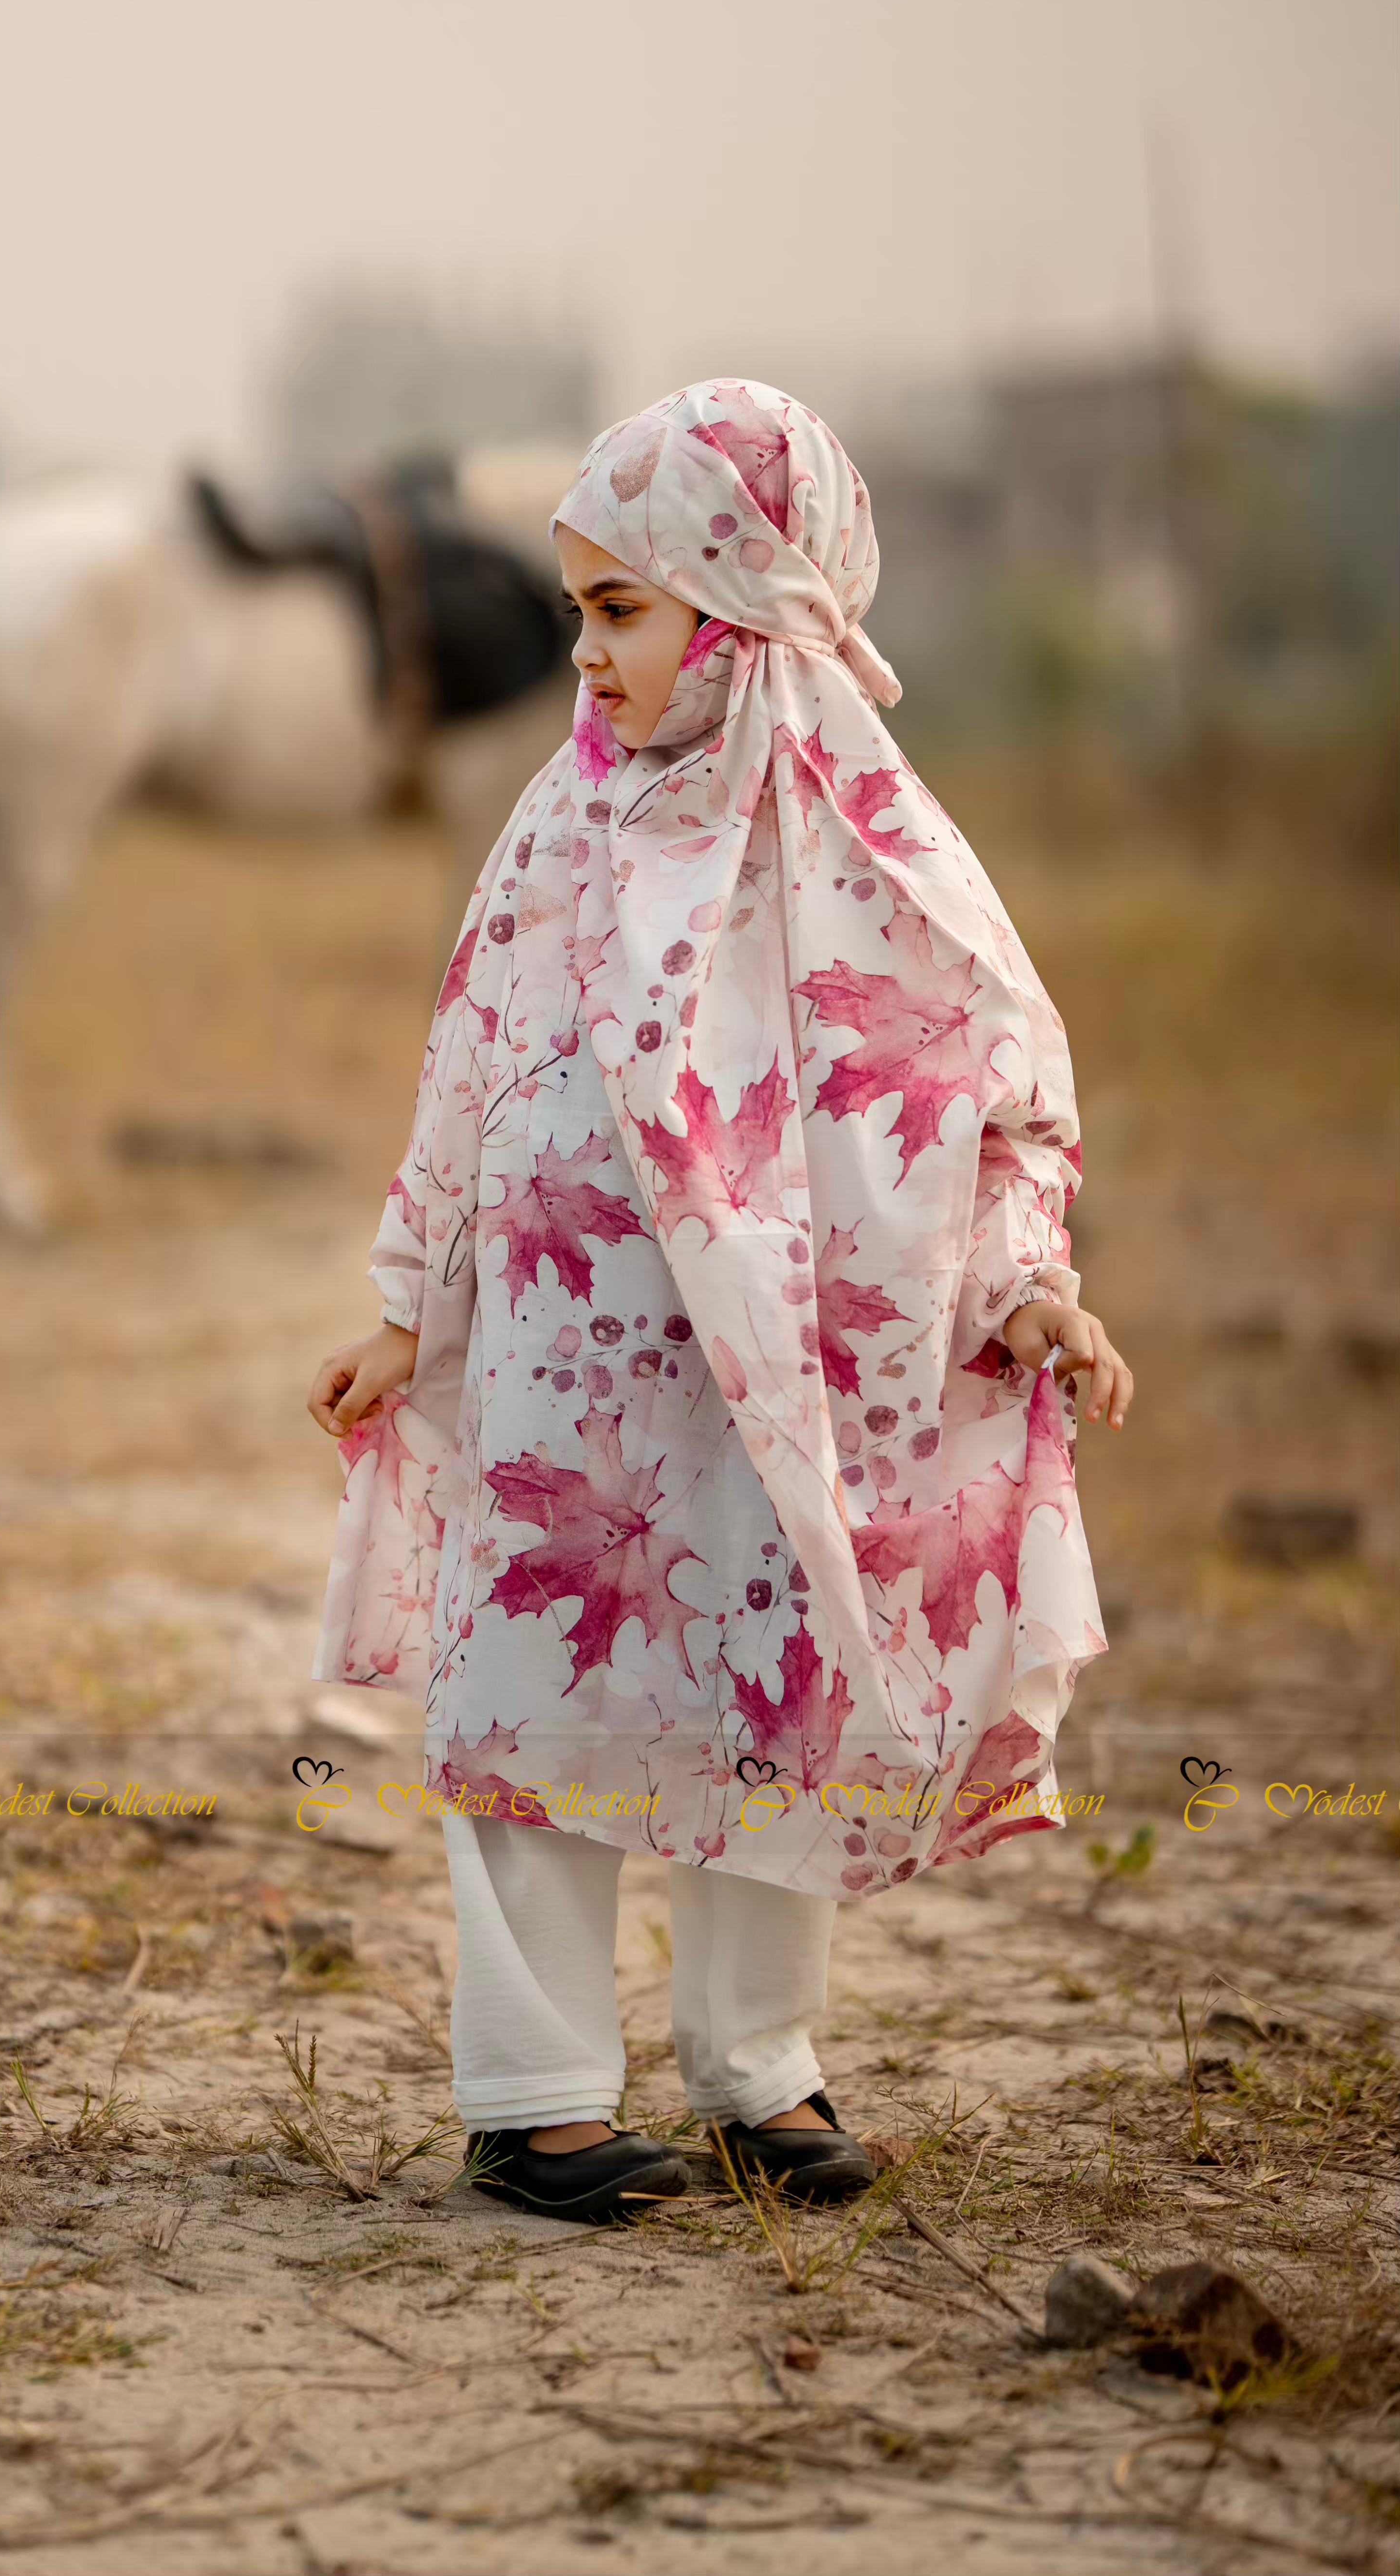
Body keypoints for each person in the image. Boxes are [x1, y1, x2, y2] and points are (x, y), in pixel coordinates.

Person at [306, 381, 1133, 2223]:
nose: (583, 660)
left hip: (799, 1374)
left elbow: (990, 1093)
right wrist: (401, 1307)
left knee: (781, 1672)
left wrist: (1021, 1290)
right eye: (577, 614)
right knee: (536, 1688)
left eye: (618, 611)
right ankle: (532, 2094)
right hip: (563, 1352)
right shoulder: (559, 828)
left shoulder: (885, 854)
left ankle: (759, 2069)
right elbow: (474, 1073)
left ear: (743, 607)